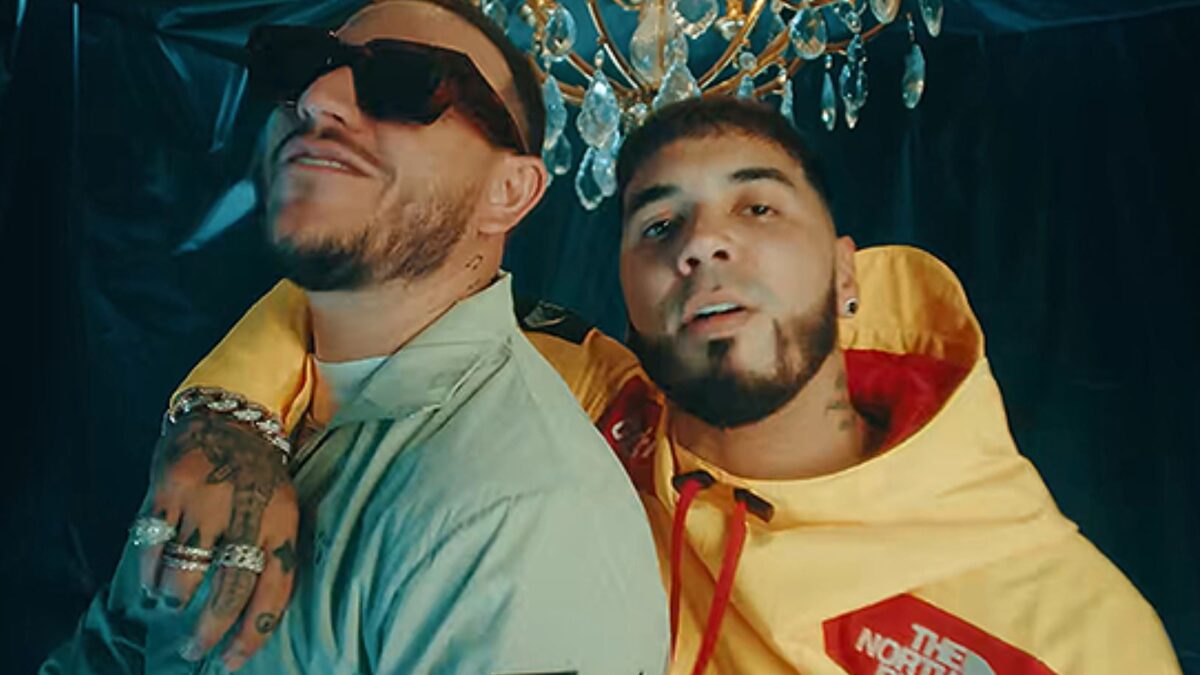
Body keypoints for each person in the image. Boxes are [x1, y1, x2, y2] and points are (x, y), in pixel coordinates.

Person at [94, 95, 1182, 674]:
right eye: (660, 224)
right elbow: (368, 288)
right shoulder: (588, 394)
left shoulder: (1074, 630)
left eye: (758, 207)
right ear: (627, 294)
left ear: (849, 275)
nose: (703, 244)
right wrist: (228, 420)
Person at [41, 1, 669, 673]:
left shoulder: (524, 520)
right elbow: (113, 649)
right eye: (301, 66)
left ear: (509, 192)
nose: (320, 98)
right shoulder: (232, 423)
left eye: (405, 82)